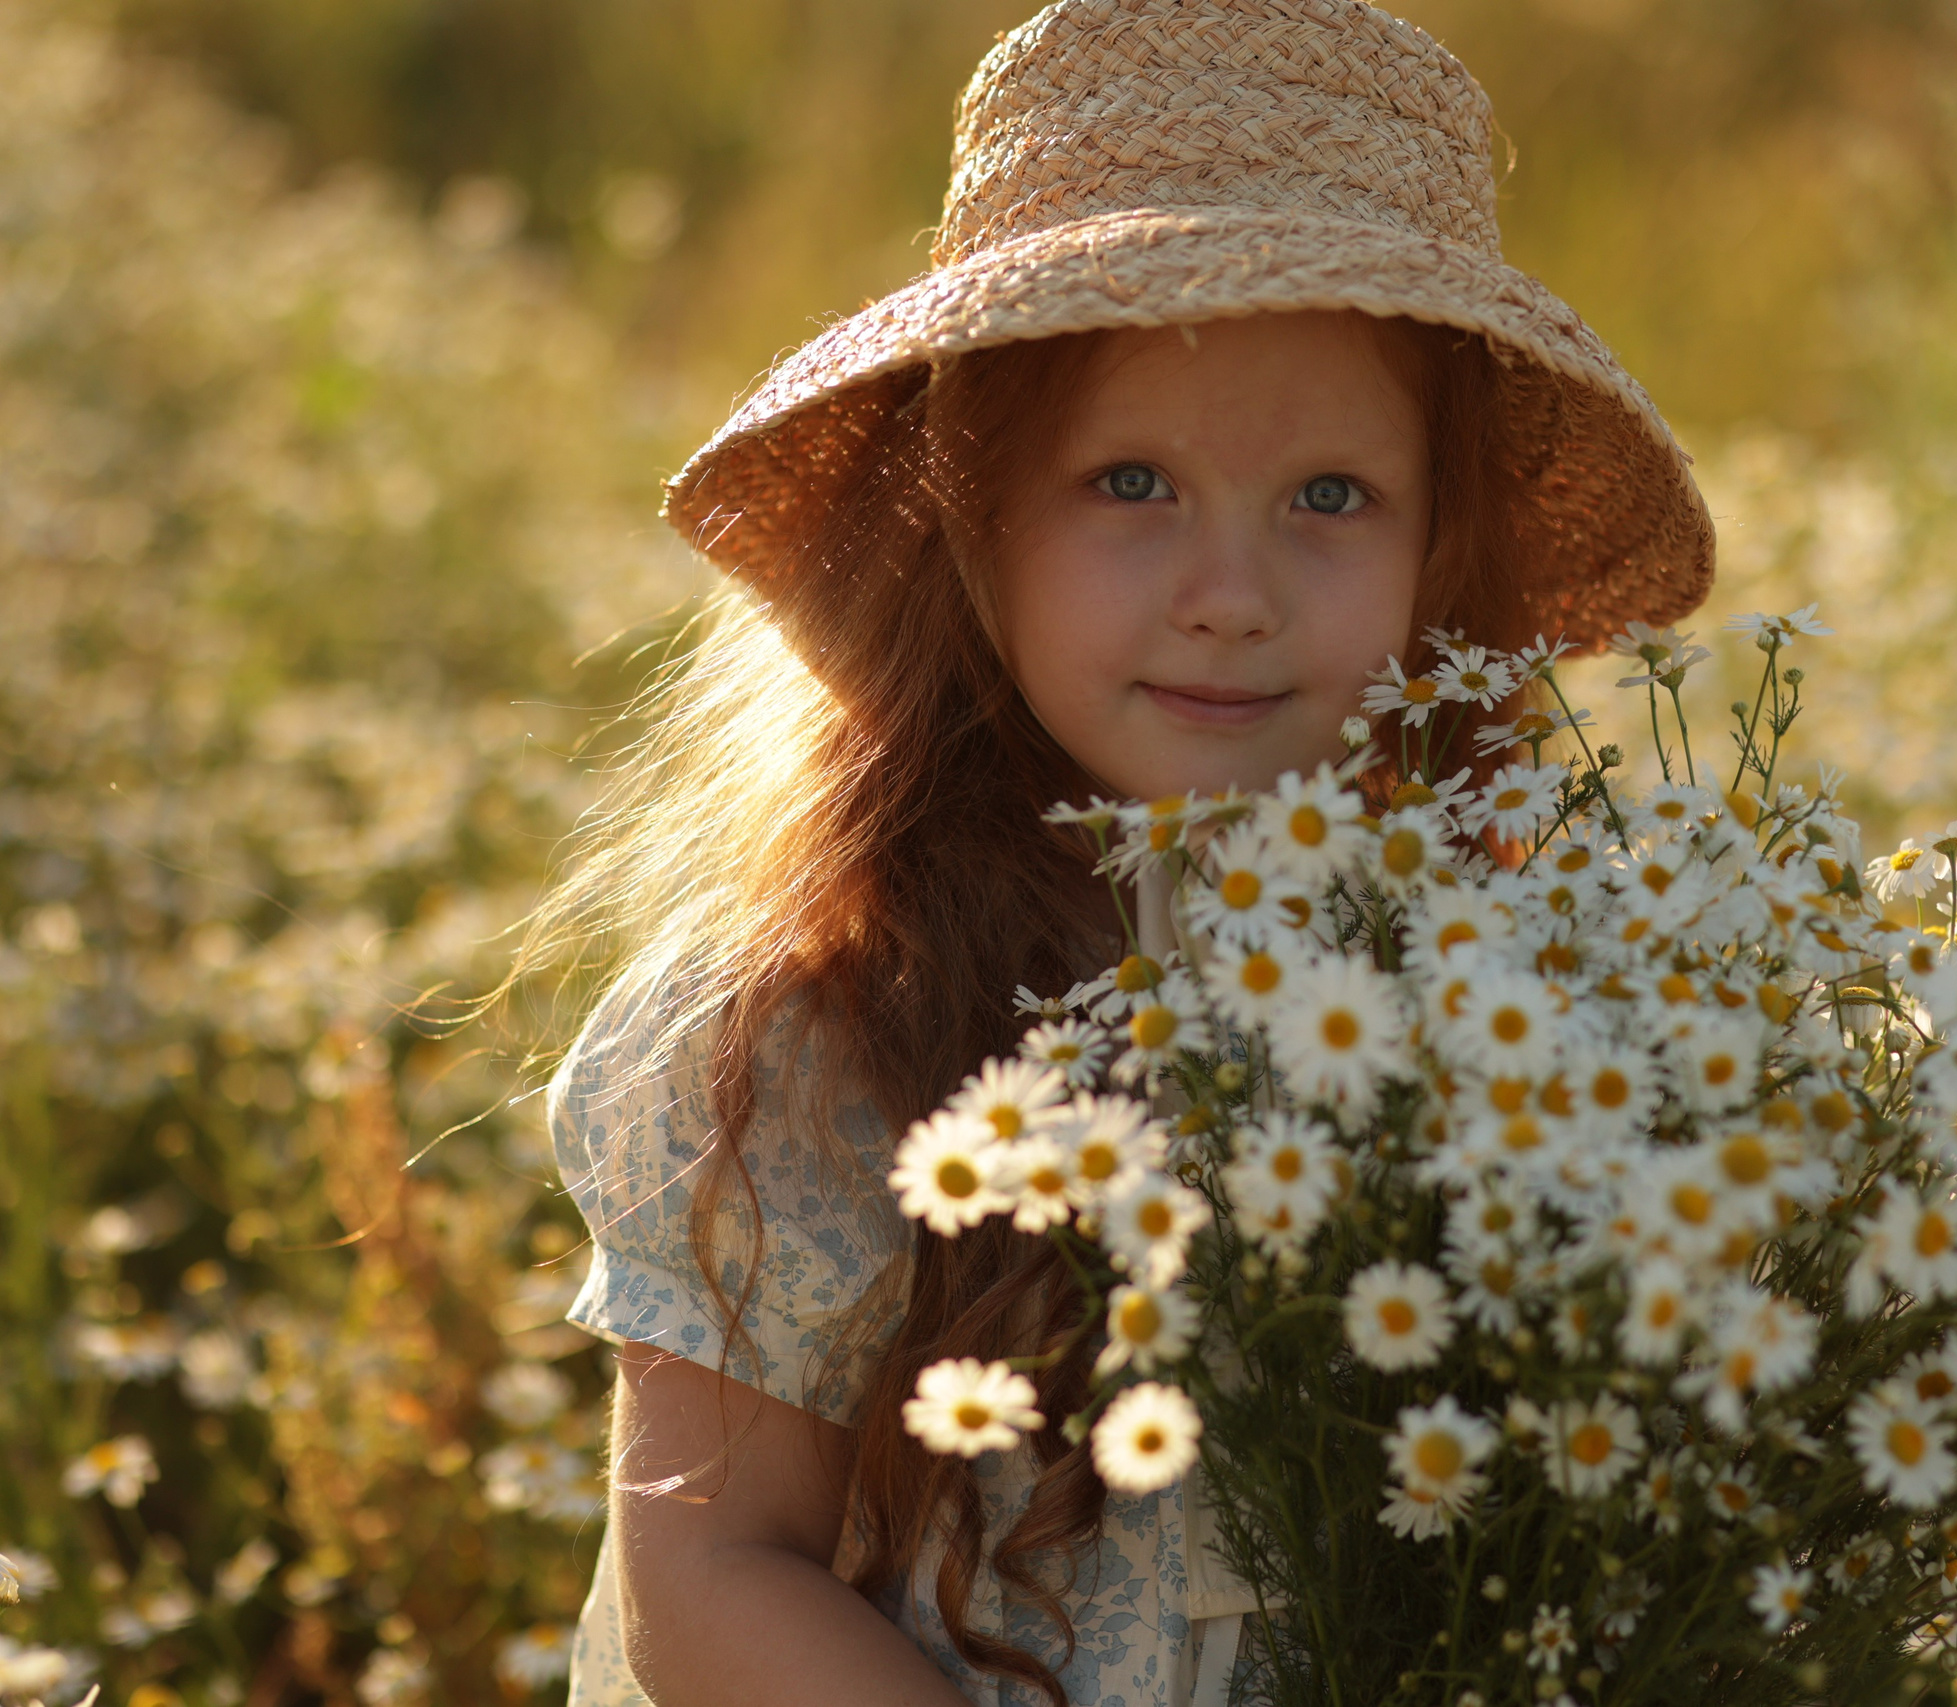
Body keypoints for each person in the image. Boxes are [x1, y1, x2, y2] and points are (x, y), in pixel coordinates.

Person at [537, 1, 1714, 1702]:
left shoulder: (1513, 974)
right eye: (1132, 480)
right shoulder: (827, 1010)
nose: (1229, 592)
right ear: (972, 513)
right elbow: (712, 1570)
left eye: (1330, 499)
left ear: (1440, 558)